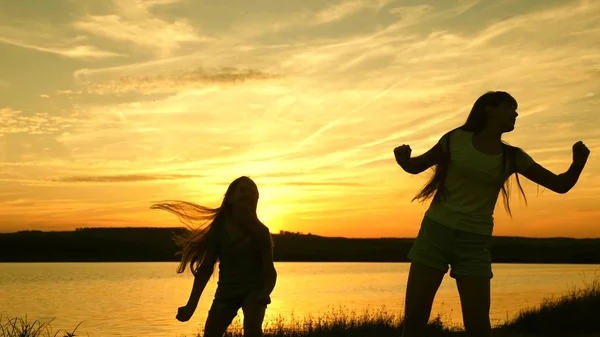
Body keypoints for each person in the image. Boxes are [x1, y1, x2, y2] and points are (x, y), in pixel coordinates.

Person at [393, 91, 590, 337]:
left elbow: (560, 185)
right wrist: (403, 159)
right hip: (435, 234)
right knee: (414, 321)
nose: (516, 113)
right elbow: (416, 166)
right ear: (489, 109)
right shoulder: (455, 139)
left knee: (478, 327)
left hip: (474, 242)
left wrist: (578, 164)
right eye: (510, 107)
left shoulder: (513, 157)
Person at [151, 176, 277, 337]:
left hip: (254, 290)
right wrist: (191, 306)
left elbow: (269, 271)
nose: (249, 194)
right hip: (226, 292)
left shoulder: (261, 232)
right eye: (243, 190)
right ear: (230, 198)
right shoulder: (219, 228)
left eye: (253, 193)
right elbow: (206, 268)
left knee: (252, 330)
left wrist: (264, 293)